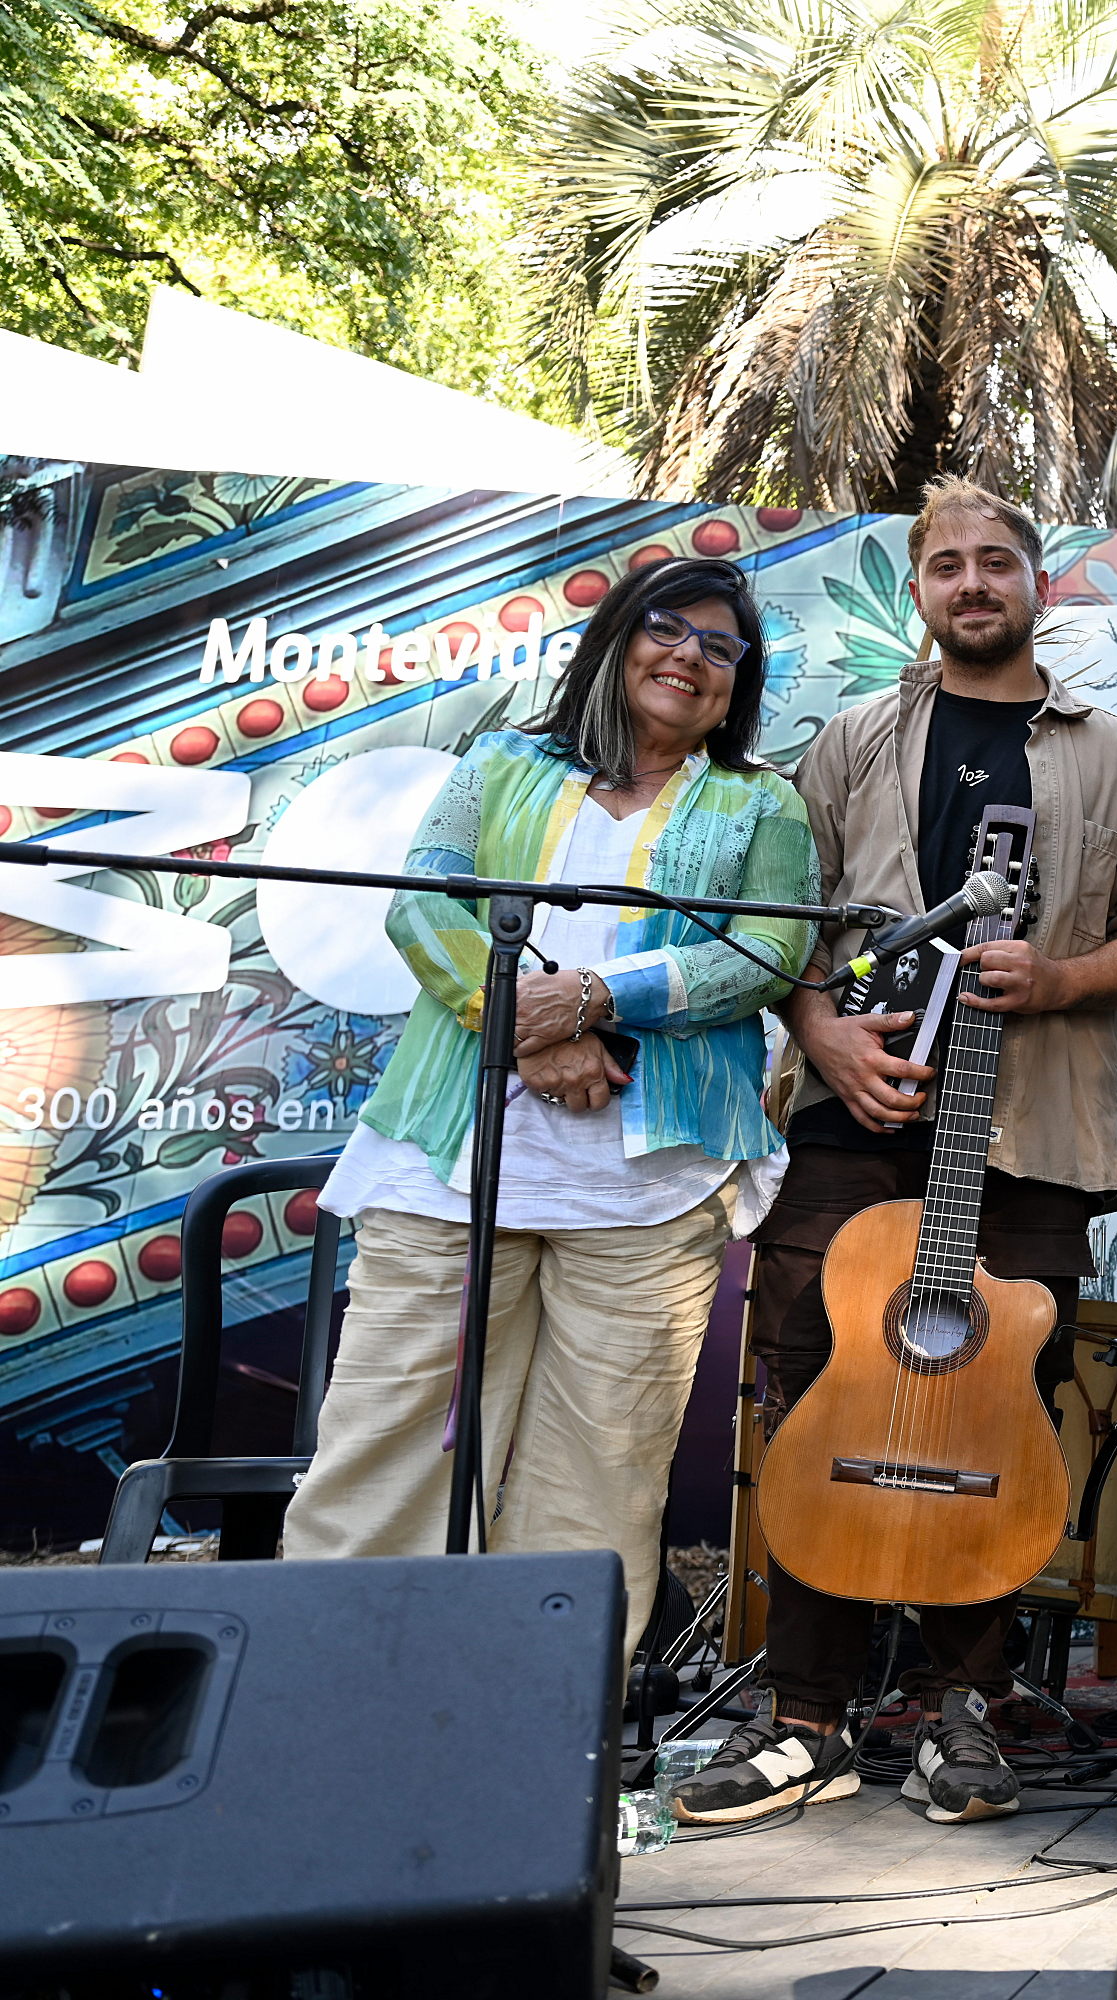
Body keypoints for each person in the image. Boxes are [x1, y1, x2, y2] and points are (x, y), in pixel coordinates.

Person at [671, 479, 1117, 1828]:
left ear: (1039, 583)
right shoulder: (850, 742)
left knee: (997, 1406)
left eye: (996, 564)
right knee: (814, 1393)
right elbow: (776, 932)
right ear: (919, 592)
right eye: (946, 567)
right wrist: (830, 1043)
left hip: (1031, 1132)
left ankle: (965, 1709)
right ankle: (807, 1717)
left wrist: (1069, 975)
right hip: (853, 1125)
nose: (972, 584)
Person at [287, 556, 816, 1666]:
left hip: (648, 1185)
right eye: (669, 628)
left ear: (740, 684)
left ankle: (532, 1740)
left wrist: (597, 997)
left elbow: (769, 953)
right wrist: (534, 1035)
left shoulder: (758, 801)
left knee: (600, 1474)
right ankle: (325, 1711)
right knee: (388, 1449)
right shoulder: (504, 762)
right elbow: (427, 906)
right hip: (452, 1166)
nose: (690, 656)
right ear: (618, 640)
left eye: (721, 648)